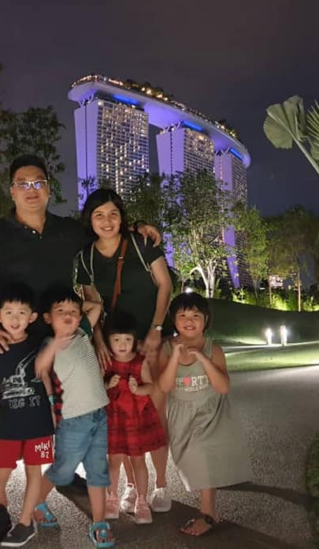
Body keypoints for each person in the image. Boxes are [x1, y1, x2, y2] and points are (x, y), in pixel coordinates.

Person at [0, 156, 160, 530]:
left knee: (60, 422)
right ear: (12, 191)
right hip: (18, 345)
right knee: (6, 422)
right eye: (23, 183)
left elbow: (105, 229)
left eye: (39, 182)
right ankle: (0, 501)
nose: (32, 190)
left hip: (65, 342)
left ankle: (39, 500)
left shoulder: (67, 231)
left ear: (49, 188)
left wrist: (136, 227)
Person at [77, 188, 173, 514]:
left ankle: (160, 485)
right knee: (121, 418)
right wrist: (99, 339)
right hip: (116, 350)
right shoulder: (86, 257)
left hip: (149, 341)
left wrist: (157, 329)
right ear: (89, 220)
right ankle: (133, 486)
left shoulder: (142, 244)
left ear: (123, 217)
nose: (107, 221)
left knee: (153, 417)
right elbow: (93, 303)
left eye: (113, 213)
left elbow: (165, 285)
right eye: (99, 215)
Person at [157, 292, 253, 537]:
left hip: (211, 412)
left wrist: (202, 357)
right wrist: (176, 358)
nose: (189, 320)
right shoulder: (167, 348)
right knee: (187, 460)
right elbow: (165, 386)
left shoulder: (214, 349)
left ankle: (208, 514)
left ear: (205, 320)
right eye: (183, 315)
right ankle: (208, 511)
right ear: (174, 320)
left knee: (203, 457)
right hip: (180, 413)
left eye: (196, 315)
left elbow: (223, 387)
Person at [0, 285, 55, 548]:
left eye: (22, 312)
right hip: (8, 423)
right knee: (0, 473)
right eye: (9, 312)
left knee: (34, 472)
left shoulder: (38, 344)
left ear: (32, 317)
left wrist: (53, 411)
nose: (15, 318)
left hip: (38, 422)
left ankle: (25, 523)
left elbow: (46, 378)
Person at [32, 288, 115, 548]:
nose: (68, 316)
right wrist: (57, 338)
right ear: (47, 318)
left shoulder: (83, 332)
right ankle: (35, 503)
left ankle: (99, 523)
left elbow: (96, 306)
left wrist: (78, 308)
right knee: (63, 471)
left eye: (73, 312)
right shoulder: (49, 345)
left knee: (98, 471)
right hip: (73, 421)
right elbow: (39, 367)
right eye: (61, 312)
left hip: (99, 415)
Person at [101, 313, 167, 525]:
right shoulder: (107, 361)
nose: (122, 345)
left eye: (127, 340)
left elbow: (150, 385)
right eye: (117, 340)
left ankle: (141, 500)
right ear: (109, 341)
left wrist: (138, 389)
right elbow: (96, 388)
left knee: (139, 460)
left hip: (135, 417)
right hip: (114, 419)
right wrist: (106, 385)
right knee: (114, 461)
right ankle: (111, 498)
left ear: (134, 340)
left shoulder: (140, 362)